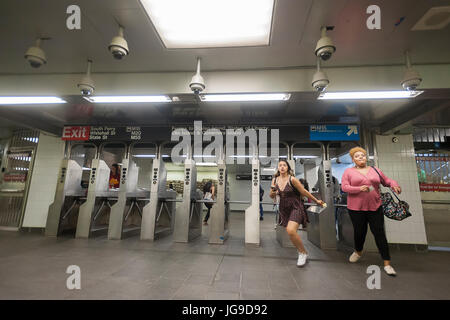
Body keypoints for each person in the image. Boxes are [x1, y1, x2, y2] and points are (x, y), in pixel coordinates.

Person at [341, 147, 402, 276]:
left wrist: (394, 185)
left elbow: (387, 181)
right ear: (353, 159)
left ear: (366, 157)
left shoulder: (375, 170)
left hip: (375, 207)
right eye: (357, 156)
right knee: (359, 232)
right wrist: (358, 188)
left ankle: (387, 263)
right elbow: (344, 187)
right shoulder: (348, 171)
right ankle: (358, 251)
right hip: (356, 209)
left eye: (362, 155)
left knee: (379, 233)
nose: (360, 158)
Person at [270, 160, 325, 267]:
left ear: (288, 168)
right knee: (290, 232)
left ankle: (302, 253)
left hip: (296, 206)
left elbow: (304, 192)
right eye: (280, 165)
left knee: (290, 230)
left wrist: (316, 201)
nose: (282, 167)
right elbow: (271, 196)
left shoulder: (293, 179)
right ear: (278, 168)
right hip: (284, 208)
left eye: (284, 165)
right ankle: (302, 252)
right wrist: (272, 190)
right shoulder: (275, 180)